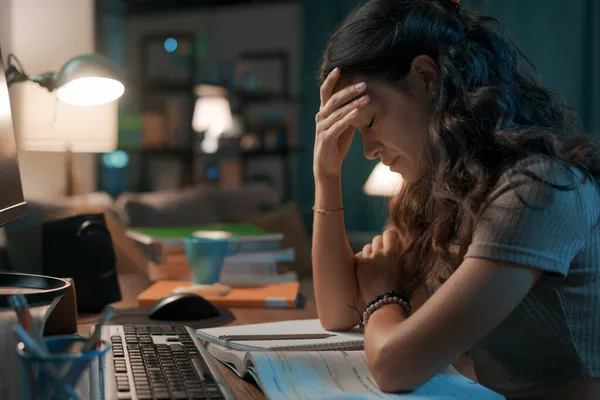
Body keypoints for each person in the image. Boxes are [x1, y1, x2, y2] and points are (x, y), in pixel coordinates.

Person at [311, 0, 600, 399]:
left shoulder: (538, 189)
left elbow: (395, 367)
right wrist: (326, 176)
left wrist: (382, 297)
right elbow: (338, 311)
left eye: (371, 122)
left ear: (426, 78)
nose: (367, 150)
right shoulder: (441, 186)